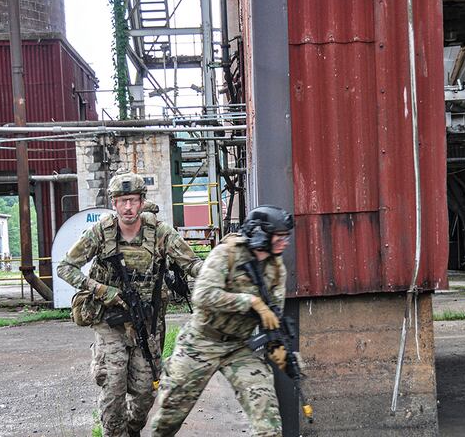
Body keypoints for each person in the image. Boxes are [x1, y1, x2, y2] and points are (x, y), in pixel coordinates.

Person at [57, 172, 202, 437]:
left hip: (145, 323)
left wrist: (220, 273)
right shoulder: (101, 232)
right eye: (122, 200)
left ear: (142, 202)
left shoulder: (159, 232)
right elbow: (65, 268)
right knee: (113, 389)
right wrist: (99, 289)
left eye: (133, 200)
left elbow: (191, 264)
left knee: (146, 391)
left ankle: (132, 430)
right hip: (109, 320)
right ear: (114, 203)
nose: (128, 207)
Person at [149, 205, 294, 437]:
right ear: (261, 233)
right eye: (280, 236)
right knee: (169, 416)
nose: (285, 242)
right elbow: (202, 296)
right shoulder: (227, 253)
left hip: (240, 346)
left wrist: (275, 344)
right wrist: (250, 302)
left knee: (267, 417)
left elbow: (272, 316)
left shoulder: (276, 268)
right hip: (201, 341)